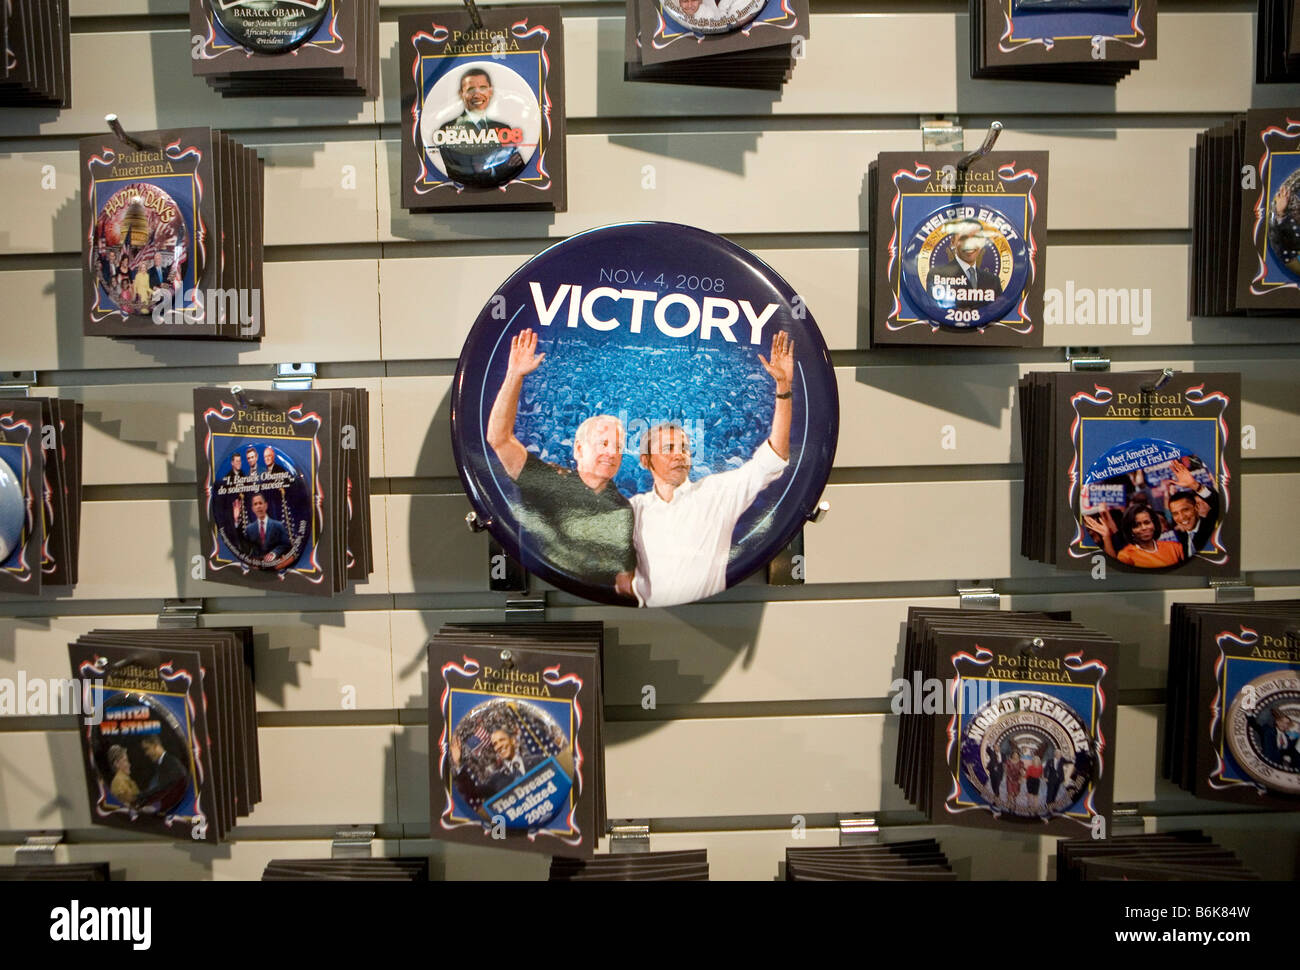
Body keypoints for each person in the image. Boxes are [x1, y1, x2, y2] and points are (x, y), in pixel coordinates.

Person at [629, 331, 794, 608]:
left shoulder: (717, 494)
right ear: (646, 461)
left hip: (712, 617)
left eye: (684, 447)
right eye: (668, 448)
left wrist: (783, 389)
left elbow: (773, 458)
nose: (679, 455)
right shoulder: (633, 509)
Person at [486, 328, 636, 599]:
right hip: (546, 592)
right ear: (578, 449)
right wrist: (514, 375)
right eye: (603, 444)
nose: (612, 453)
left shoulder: (624, 508)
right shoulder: (548, 482)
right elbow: (498, 439)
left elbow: (624, 574)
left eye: (618, 448)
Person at [433, 67, 526, 188]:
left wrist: (491, 170)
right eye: (471, 89)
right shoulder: (447, 130)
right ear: (461, 94)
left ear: (490, 91)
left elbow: (517, 167)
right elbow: (460, 173)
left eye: (483, 88)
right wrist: (500, 169)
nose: (477, 94)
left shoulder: (505, 129)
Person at [449, 726, 545, 804]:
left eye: (502, 740)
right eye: (495, 744)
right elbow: (472, 792)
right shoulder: (495, 779)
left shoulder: (537, 761)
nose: (499, 746)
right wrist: (458, 763)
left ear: (513, 741)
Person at [925, 221, 1004, 310]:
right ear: (953, 242)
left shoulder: (993, 281)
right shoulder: (937, 275)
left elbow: (996, 309)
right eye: (963, 238)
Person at [1086, 504, 1185, 568]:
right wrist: (1106, 536)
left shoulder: (1175, 547)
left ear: (1154, 524)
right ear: (1130, 530)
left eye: (1147, 522)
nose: (1143, 528)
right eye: (1136, 525)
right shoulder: (1125, 555)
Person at [1165, 460, 1219, 559]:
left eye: (1185, 510)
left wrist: (1194, 485)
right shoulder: (1181, 539)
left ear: (1196, 508)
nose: (1181, 517)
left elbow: (1218, 504)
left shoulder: (1210, 524)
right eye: (1175, 513)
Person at [137, 735, 187, 812]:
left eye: (147, 749)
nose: (146, 754)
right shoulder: (162, 763)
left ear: (156, 746)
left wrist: (139, 796)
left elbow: (162, 788)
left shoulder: (171, 763)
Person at [244, 492, 291, 562]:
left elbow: (286, 545)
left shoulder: (278, 525)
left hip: (275, 563)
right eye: (255, 504)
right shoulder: (249, 529)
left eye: (260, 503)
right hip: (256, 566)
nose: (258, 506)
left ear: (266, 505)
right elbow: (245, 548)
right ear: (253, 509)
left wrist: (274, 553)